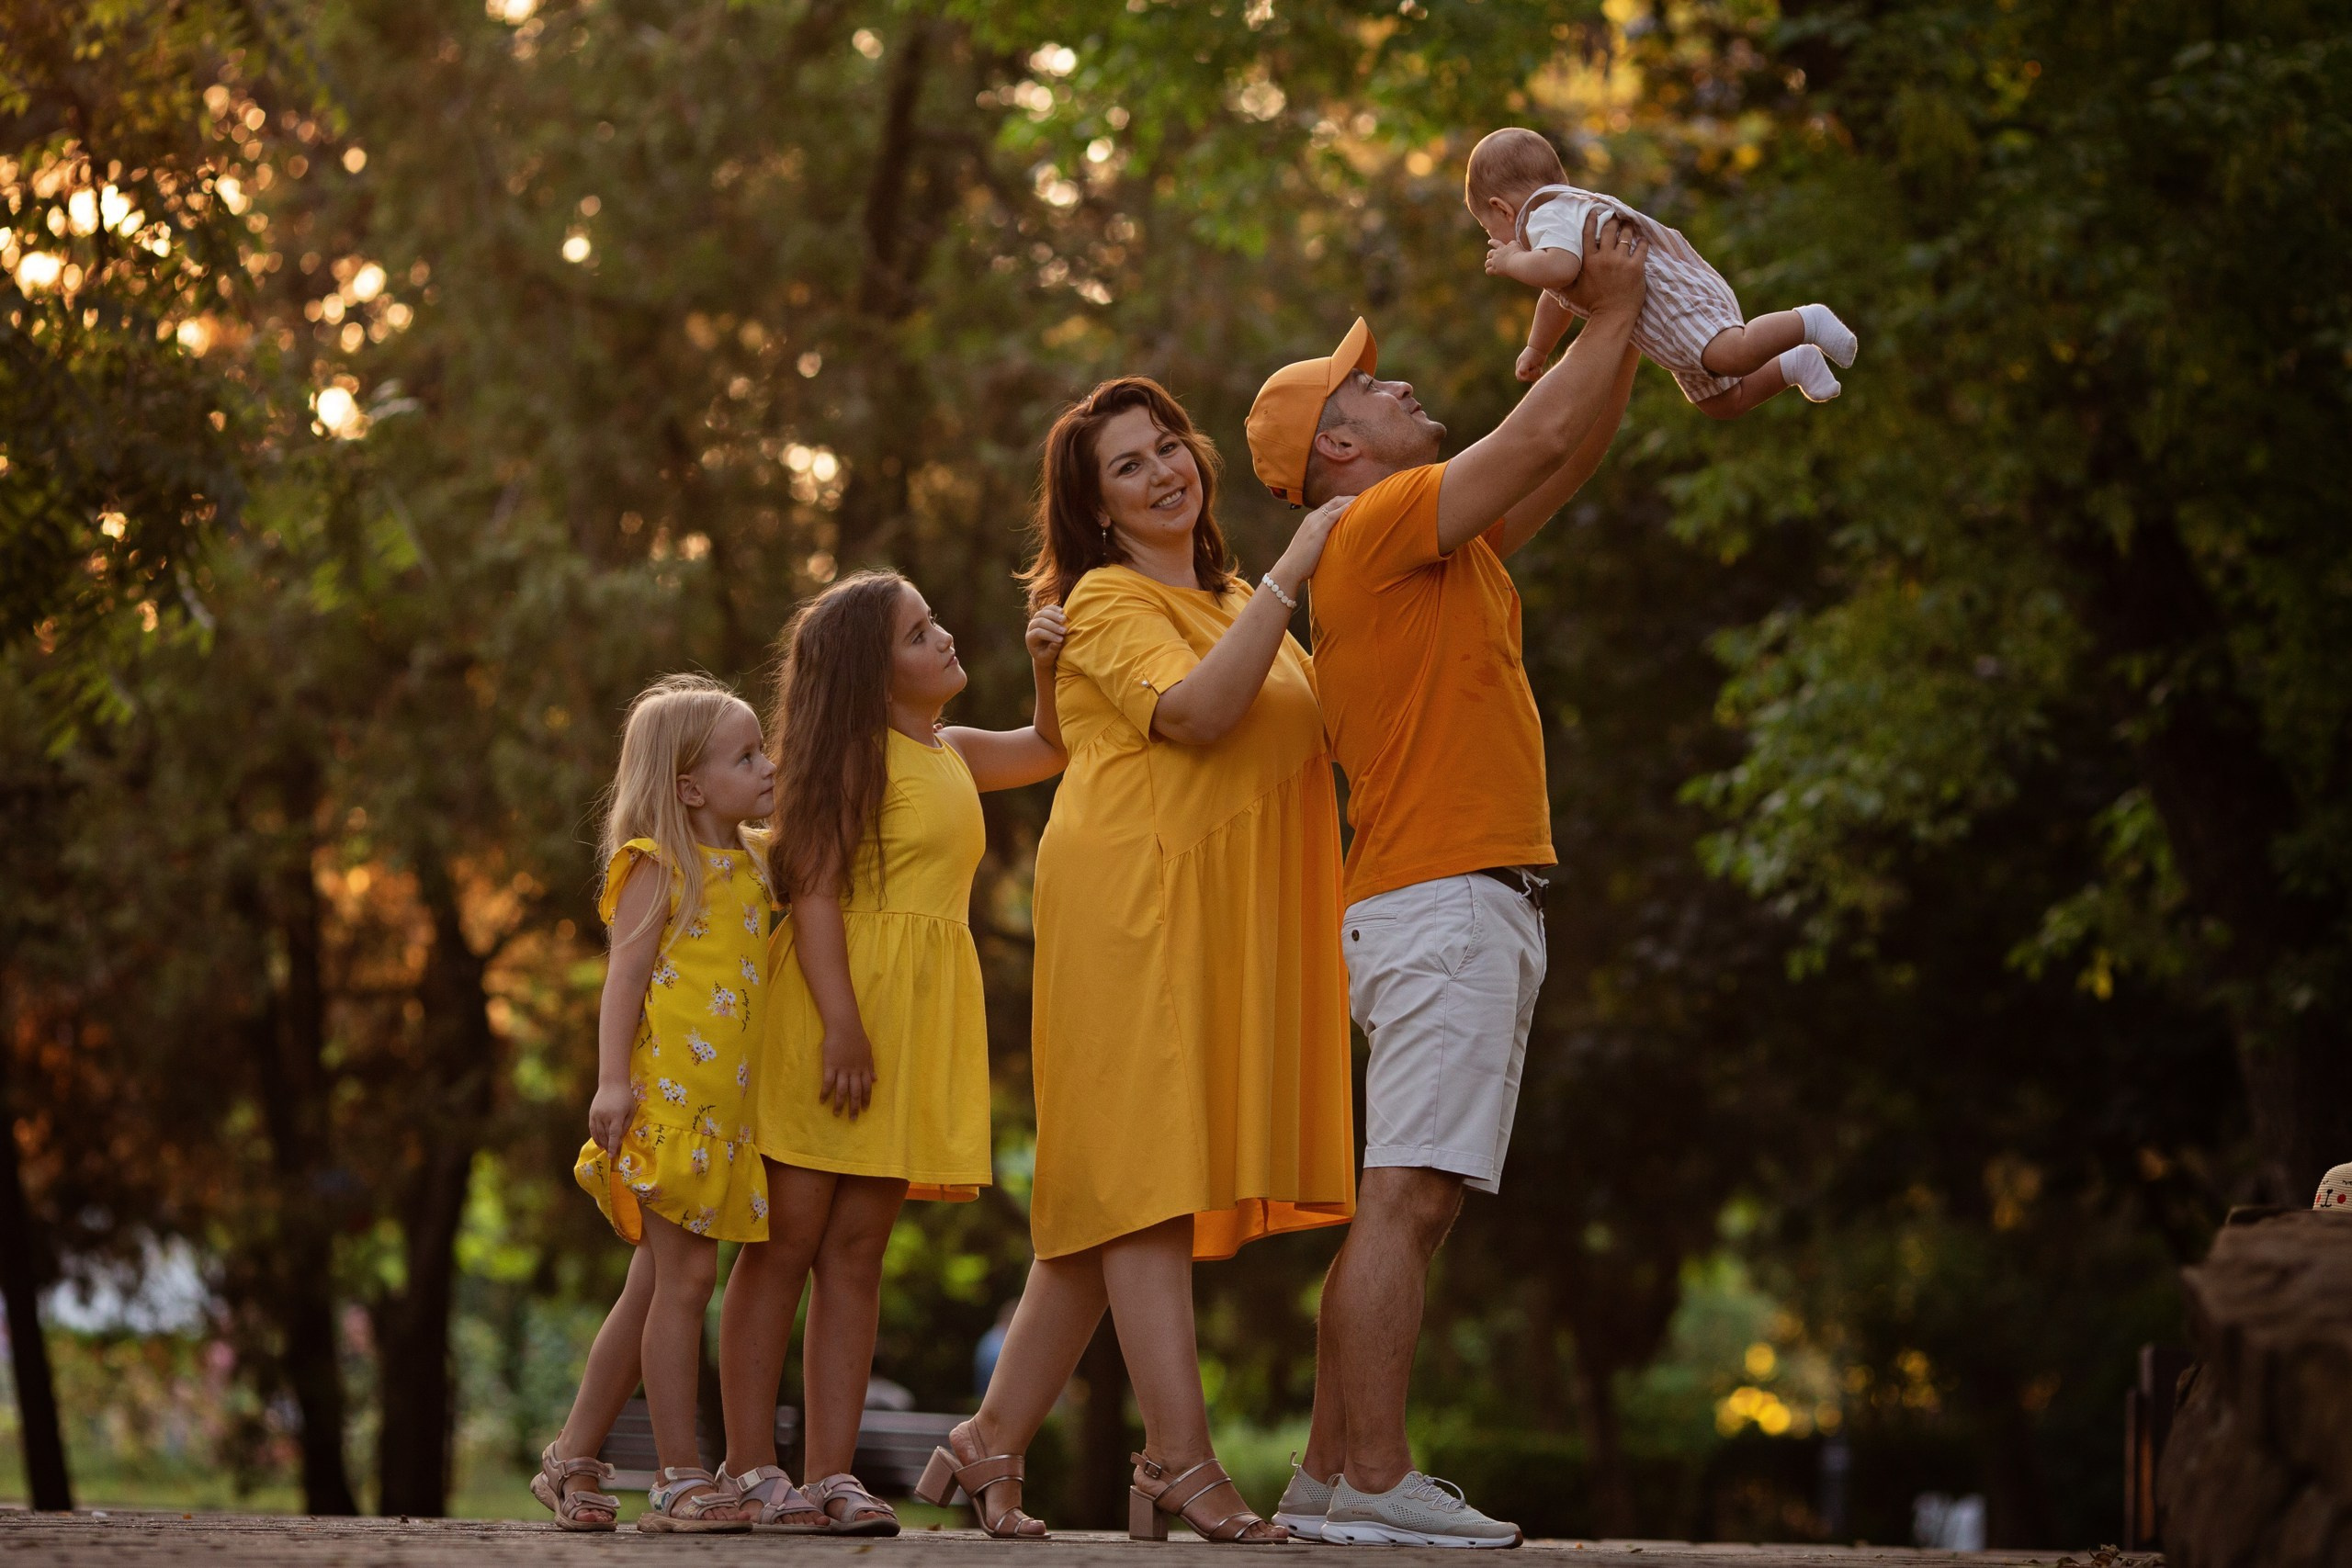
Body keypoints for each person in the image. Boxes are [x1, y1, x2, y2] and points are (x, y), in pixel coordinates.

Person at [1240, 202, 1652, 1548]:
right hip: (1444, 905)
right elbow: (1533, 434)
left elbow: (1562, 458)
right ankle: (1373, 1480)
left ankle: (1320, 1469)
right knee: (1407, 1197)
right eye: (1370, 383)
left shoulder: (1434, 549)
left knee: (1408, 1205)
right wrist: (1608, 306)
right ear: (1341, 450)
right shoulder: (1376, 527)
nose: (1400, 379)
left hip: (1446, 904)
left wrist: (1631, 325)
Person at [910, 378, 1359, 1543]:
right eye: (1129, 464)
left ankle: (988, 1441)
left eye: (1169, 447)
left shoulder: (1218, 594)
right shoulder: (1106, 598)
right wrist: (1294, 569)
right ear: (1096, 508)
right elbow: (1201, 716)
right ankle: (1179, 1461)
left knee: (1108, 1197)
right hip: (1129, 901)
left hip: (1206, 914)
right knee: (1147, 1188)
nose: (1165, 471)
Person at [715, 570, 1069, 1534]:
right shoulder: (848, 762)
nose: (945, 636)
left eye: (934, 619)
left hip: (911, 1028)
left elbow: (1051, 746)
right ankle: (751, 1468)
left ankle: (830, 1473)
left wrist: (1044, 668)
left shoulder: (950, 749)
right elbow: (817, 893)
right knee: (784, 1242)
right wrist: (839, 1022)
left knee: (859, 1251)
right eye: (920, 633)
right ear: (874, 679)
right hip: (836, 1020)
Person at [537, 673, 778, 1533]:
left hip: (727, 1121)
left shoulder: (755, 859)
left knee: (651, 1291)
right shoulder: (656, 864)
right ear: (688, 786)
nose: (767, 765)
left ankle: (570, 1460)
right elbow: (625, 978)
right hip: (669, 1112)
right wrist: (611, 1081)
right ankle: (678, 1473)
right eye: (746, 755)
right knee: (683, 1285)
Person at [1470, 125, 1856, 416]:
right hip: (1661, 324)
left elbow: (1558, 269)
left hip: (1672, 299)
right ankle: (1794, 363)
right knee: (1722, 402)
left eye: (1491, 230)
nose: (1499, 241)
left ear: (1503, 209)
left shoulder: (1546, 214)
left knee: (1734, 355)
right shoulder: (1558, 223)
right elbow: (1557, 296)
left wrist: (1512, 260)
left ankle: (1808, 320)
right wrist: (1537, 347)